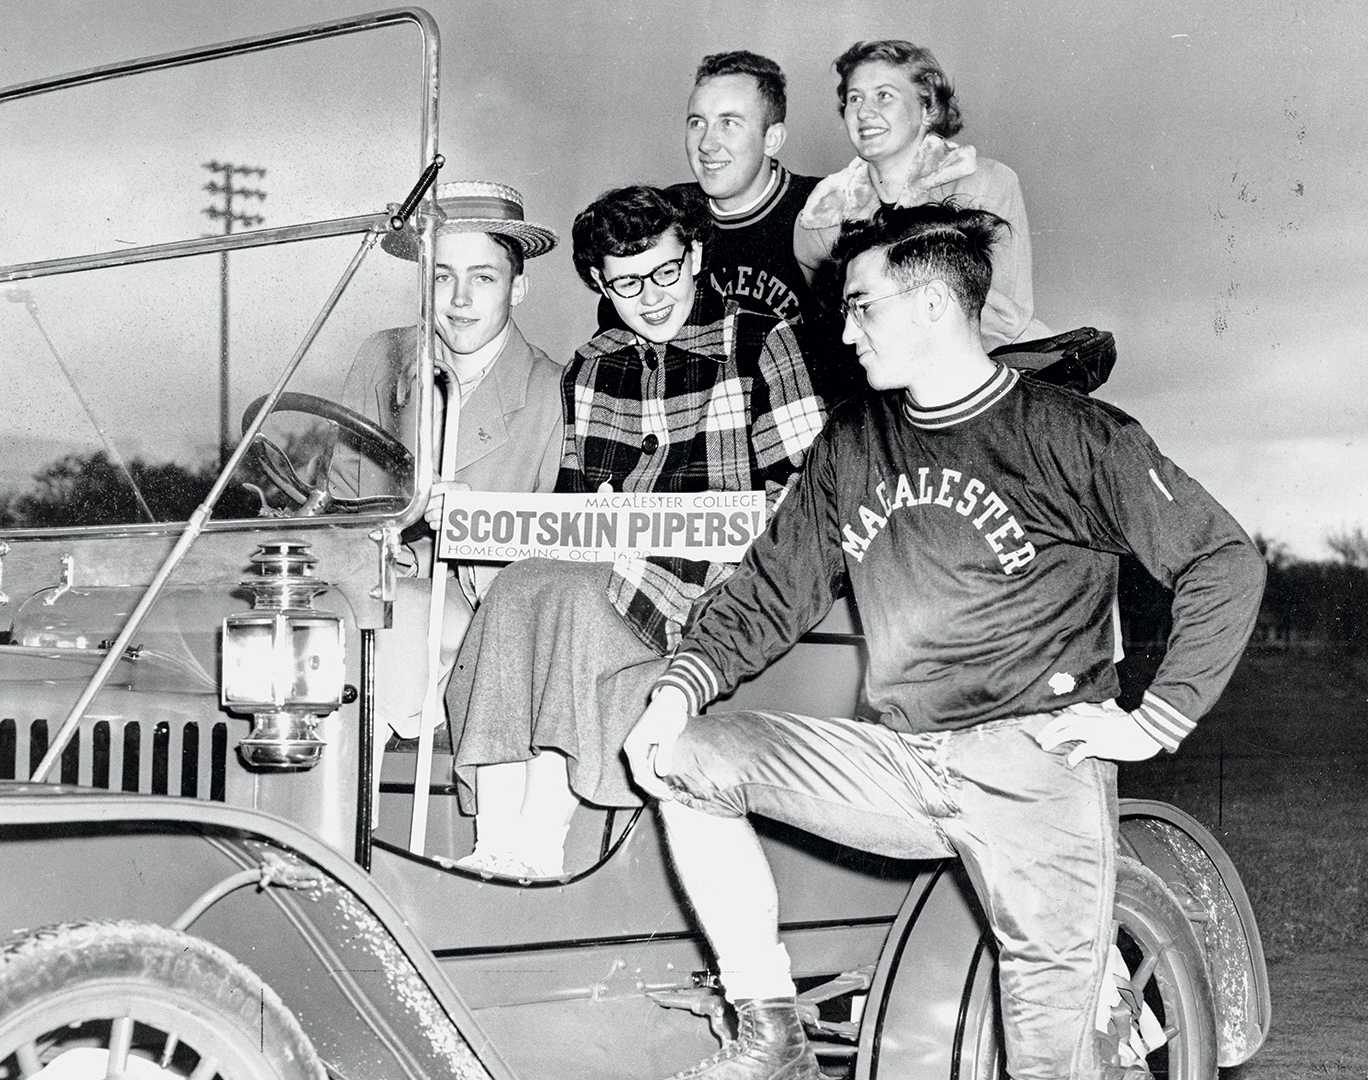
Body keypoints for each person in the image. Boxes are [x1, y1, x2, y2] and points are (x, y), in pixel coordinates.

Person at [622, 203, 1265, 1080]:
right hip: (903, 760)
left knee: (1051, 1066)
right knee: (682, 756)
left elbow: (1224, 559)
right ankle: (772, 1035)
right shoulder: (853, 442)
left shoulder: (1068, 432)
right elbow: (772, 587)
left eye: (861, 307)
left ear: (932, 306)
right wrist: (675, 692)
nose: (845, 334)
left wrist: (1153, 719)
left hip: (1033, 768)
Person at [445, 185, 826, 878]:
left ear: (697, 255)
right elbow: (571, 504)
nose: (650, 296)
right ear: (599, 283)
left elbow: (806, 488)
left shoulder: (762, 339)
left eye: (665, 271)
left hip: (721, 578)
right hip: (610, 567)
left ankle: (537, 845)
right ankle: (491, 839)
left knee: (575, 600)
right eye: (624, 283)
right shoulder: (592, 365)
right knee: (520, 586)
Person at [330, 180, 566, 737]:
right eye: (442, 276)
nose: (459, 300)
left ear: (519, 287)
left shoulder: (556, 392)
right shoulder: (383, 357)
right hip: (372, 589)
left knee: (389, 629)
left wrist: (477, 529)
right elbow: (342, 499)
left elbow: (554, 563)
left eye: (483, 277)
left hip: (480, 614)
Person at [597, 53, 854, 398]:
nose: (707, 144)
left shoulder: (824, 211)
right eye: (697, 123)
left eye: (729, 123)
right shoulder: (667, 215)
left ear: (772, 139)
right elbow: (617, 334)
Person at [794, 39, 1050, 350]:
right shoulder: (820, 222)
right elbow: (841, 332)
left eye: (884, 95)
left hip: (995, 364)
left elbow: (1000, 319)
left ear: (927, 108)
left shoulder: (986, 184)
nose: (865, 112)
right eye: (854, 98)